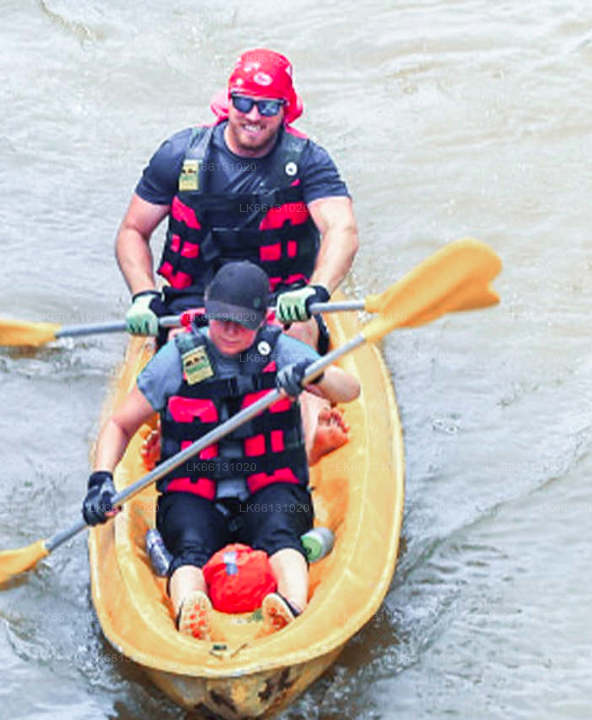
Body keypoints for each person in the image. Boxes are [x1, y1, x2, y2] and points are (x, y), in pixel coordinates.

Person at [83, 262, 360, 640]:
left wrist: (316, 376)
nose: (230, 330)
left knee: (281, 535)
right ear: (208, 311)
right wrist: (100, 479)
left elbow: (350, 391)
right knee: (190, 546)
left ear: (262, 320)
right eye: (221, 320)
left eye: (241, 323)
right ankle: (190, 609)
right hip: (196, 489)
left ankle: (291, 607)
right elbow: (120, 424)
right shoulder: (178, 358)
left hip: (268, 484)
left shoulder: (282, 351)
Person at [113, 48, 358, 460]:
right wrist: (143, 293)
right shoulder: (181, 154)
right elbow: (132, 231)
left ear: (286, 109)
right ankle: (183, 438)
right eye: (244, 102)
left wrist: (316, 290)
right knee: (188, 348)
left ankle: (309, 435)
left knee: (296, 338)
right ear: (228, 102)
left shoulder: (308, 161)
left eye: (268, 106)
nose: (253, 115)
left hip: (280, 298)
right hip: (197, 300)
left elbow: (342, 229)